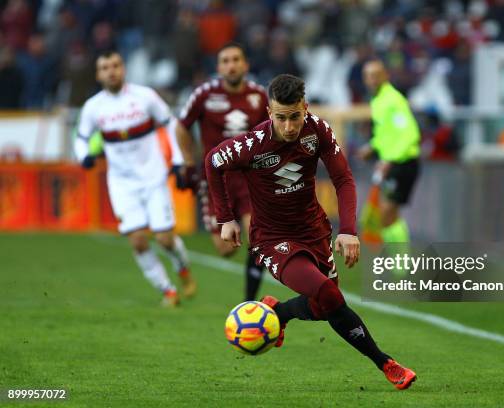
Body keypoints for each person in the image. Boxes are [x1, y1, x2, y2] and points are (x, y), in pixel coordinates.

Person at [204, 74, 417, 390]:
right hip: (272, 239)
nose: (289, 126)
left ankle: (279, 312)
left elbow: (343, 179)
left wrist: (347, 230)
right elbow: (212, 161)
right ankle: (386, 363)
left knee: (326, 307)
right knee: (329, 295)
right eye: (281, 118)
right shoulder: (252, 144)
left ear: (305, 107)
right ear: (268, 112)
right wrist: (226, 219)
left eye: (295, 116)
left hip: (314, 232)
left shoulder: (317, 131)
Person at [73, 50, 196, 307]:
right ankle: (168, 291)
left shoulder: (145, 96)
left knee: (164, 238)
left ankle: (182, 267)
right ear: (98, 74)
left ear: (123, 69)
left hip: (153, 177)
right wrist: (84, 156)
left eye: (115, 65)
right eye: (105, 67)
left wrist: (176, 160)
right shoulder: (93, 107)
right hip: (121, 184)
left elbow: (169, 124)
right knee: (138, 241)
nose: (111, 71)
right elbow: (82, 137)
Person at [175, 42, 268, 301]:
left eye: (236, 59)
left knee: (257, 239)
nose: (231, 65)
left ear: (245, 65)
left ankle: (249, 303)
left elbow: (271, 131)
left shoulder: (259, 95)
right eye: (225, 61)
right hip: (217, 179)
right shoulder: (204, 94)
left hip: (250, 177)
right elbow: (182, 127)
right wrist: (188, 162)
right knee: (226, 249)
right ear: (218, 68)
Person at [357, 59, 421, 246]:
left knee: (386, 213)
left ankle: (402, 266)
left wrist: (389, 160)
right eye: (369, 76)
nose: (373, 80)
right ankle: (400, 267)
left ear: (386, 76)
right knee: (389, 215)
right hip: (392, 163)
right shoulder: (378, 101)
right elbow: (386, 132)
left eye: (376, 76)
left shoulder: (393, 101)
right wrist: (373, 146)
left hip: (403, 162)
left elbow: (411, 134)